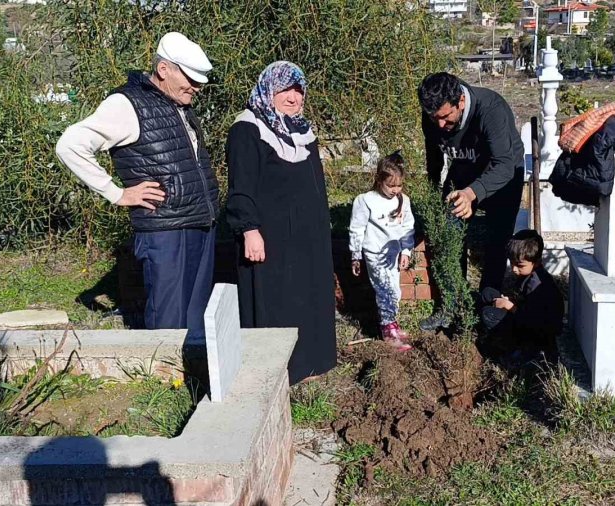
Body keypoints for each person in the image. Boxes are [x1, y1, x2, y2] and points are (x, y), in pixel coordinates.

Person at [56, 32, 217, 338]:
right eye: (191, 79)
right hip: (166, 232)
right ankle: (163, 378)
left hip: (200, 223)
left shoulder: (179, 104)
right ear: (164, 69)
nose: (197, 87)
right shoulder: (127, 104)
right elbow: (70, 144)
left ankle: (194, 376)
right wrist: (117, 194)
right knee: (170, 321)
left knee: (197, 319)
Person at [225, 61, 336, 385]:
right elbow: (240, 186)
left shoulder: (301, 130)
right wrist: (249, 229)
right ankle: (279, 372)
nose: (293, 97)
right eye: (285, 89)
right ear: (268, 90)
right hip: (270, 241)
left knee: (306, 298)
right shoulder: (248, 129)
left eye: (298, 90)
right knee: (278, 303)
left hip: (306, 240)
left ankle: (311, 363)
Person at [417, 72, 525, 331]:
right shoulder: (433, 115)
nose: (440, 125)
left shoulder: (492, 110)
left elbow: (504, 164)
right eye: (435, 119)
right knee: (449, 233)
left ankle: (488, 306)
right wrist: (436, 196)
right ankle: (452, 305)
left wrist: (472, 193)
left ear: (461, 102)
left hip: (503, 174)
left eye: (445, 117)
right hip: (465, 168)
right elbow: (434, 159)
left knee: (497, 240)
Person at [349, 152, 415, 352]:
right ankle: (387, 331)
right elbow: (356, 228)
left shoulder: (403, 200)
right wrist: (355, 255)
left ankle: (392, 323)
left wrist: (406, 251)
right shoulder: (365, 200)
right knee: (385, 291)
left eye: (399, 185)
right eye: (391, 185)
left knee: (394, 291)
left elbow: (407, 227)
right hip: (374, 253)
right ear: (379, 180)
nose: (395, 190)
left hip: (392, 254)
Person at [480, 229, 563, 359]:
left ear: (536, 262)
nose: (514, 269)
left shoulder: (537, 284)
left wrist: (508, 306)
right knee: (488, 293)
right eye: (512, 263)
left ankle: (515, 346)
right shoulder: (528, 274)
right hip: (528, 316)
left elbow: (530, 318)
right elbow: (524, 302)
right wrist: (511, 300)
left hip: (538, 332)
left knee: (488, 314)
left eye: (519, 265)